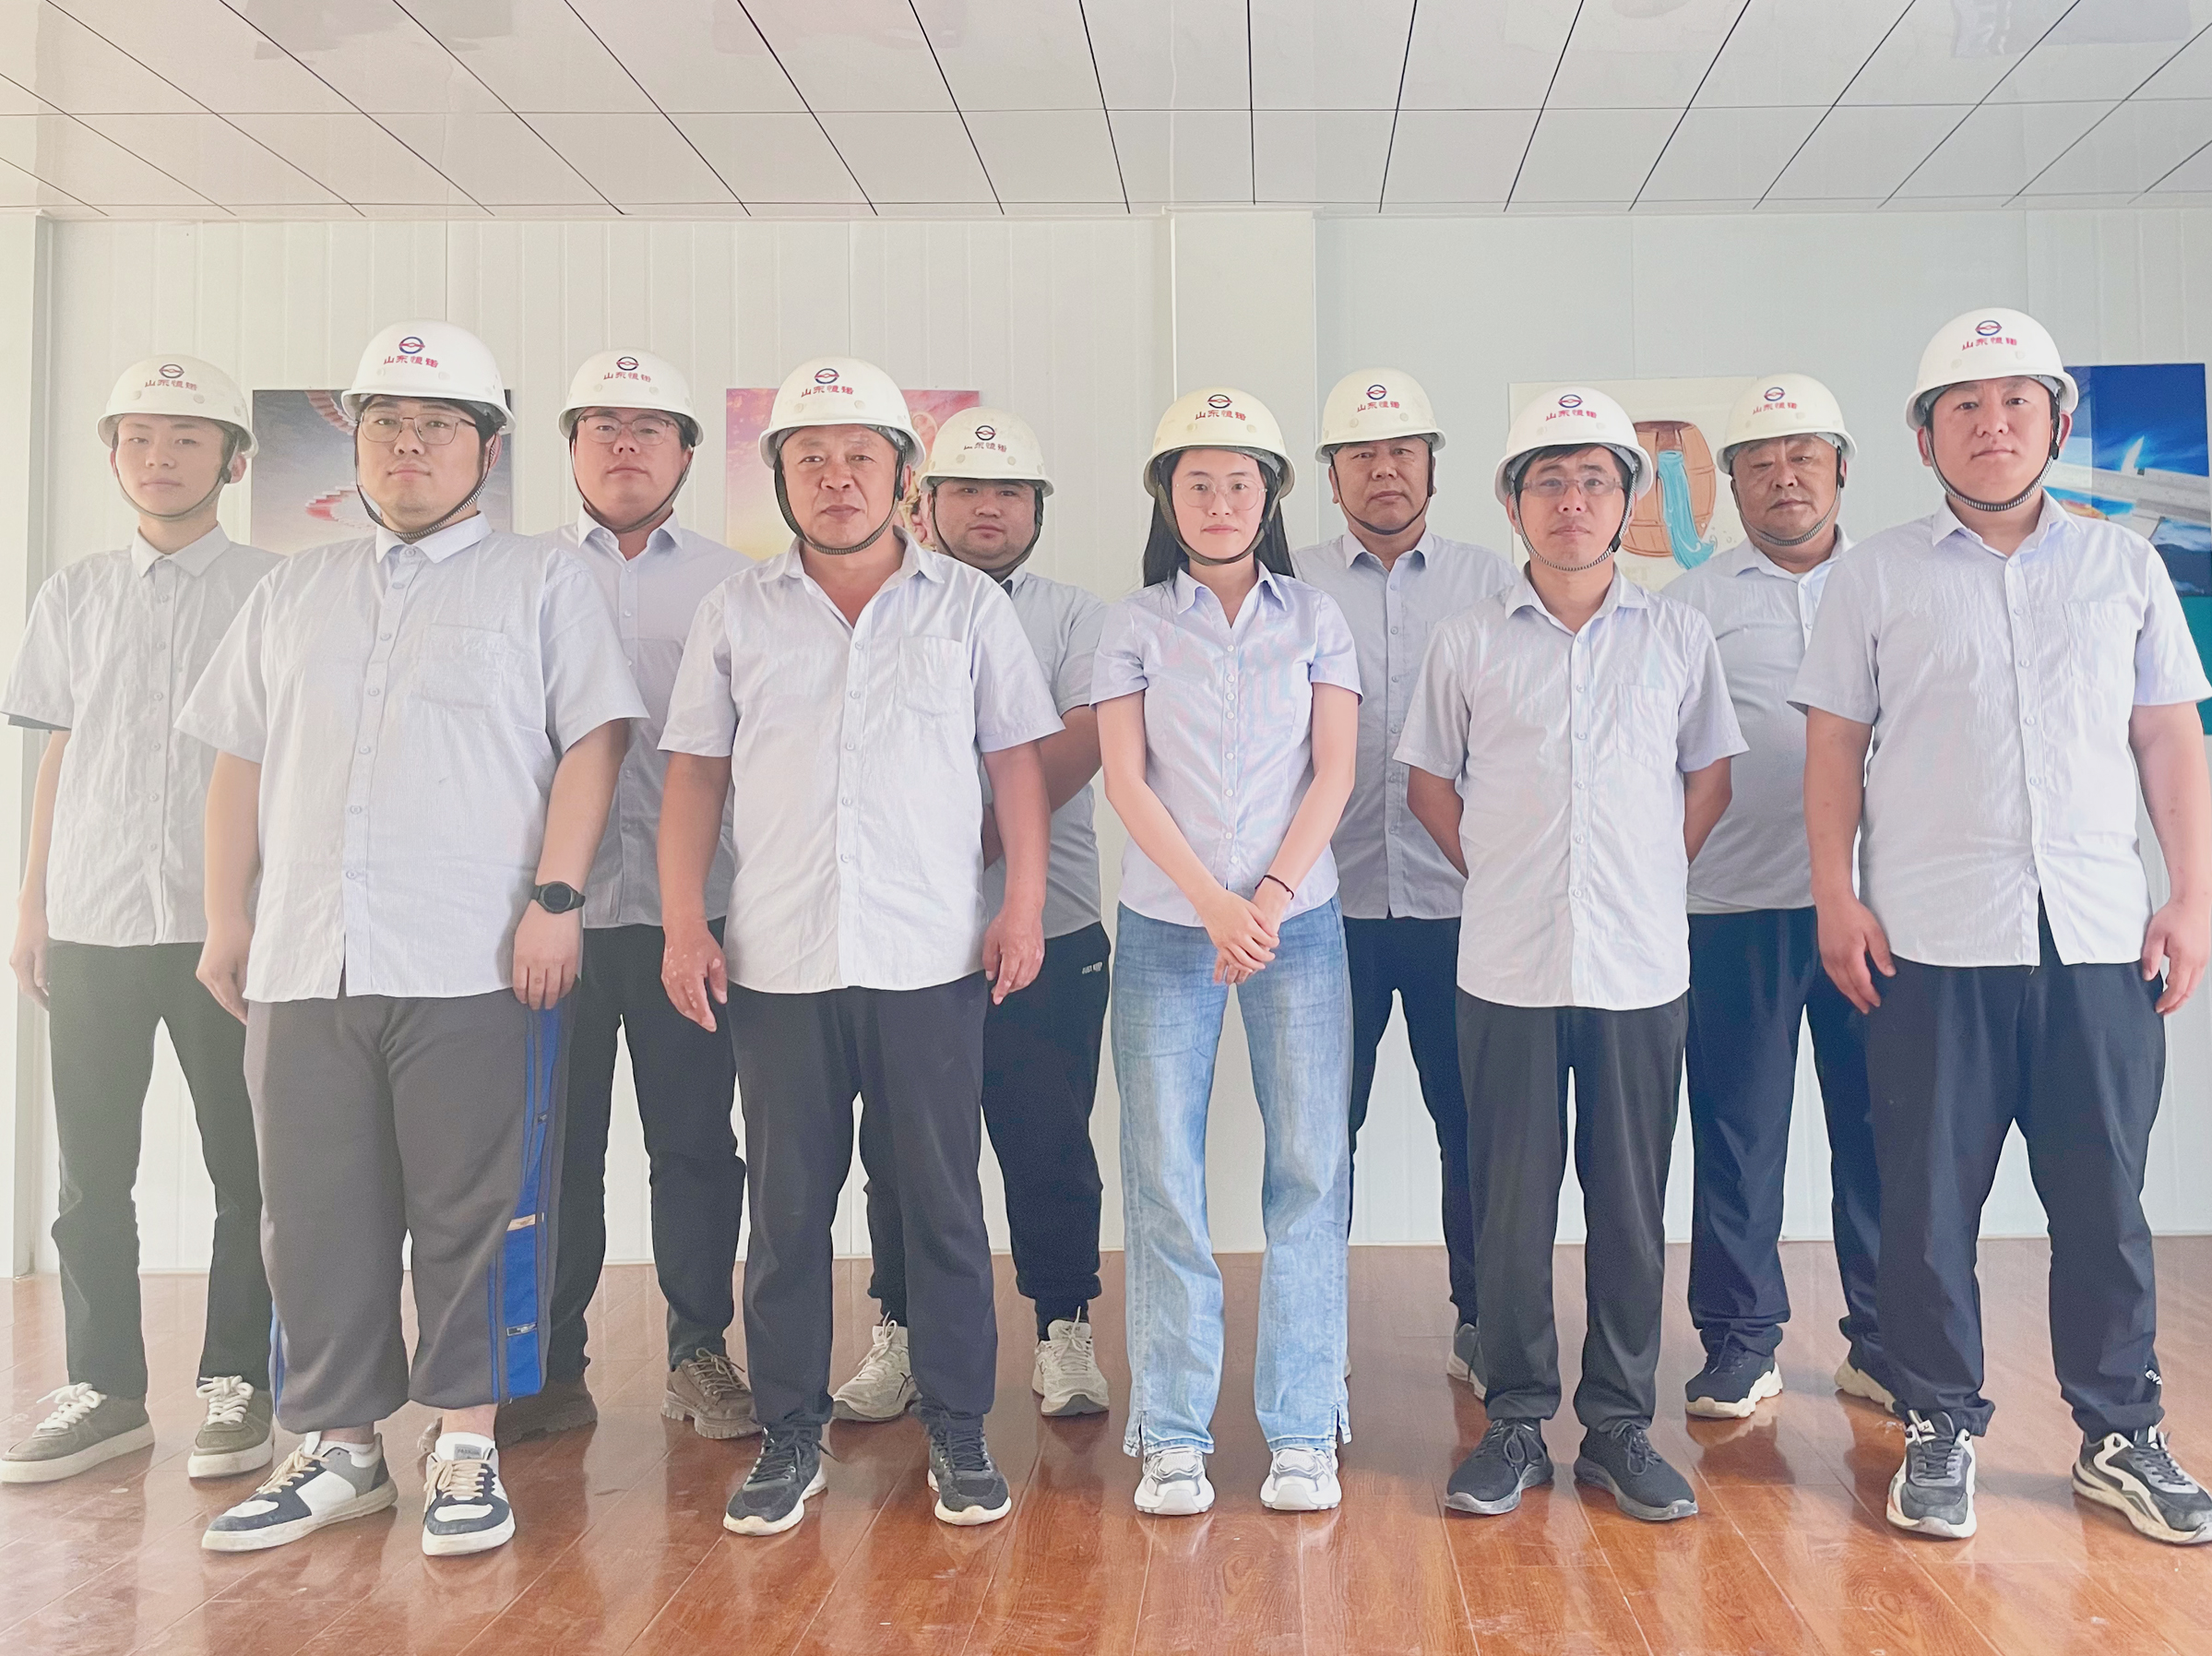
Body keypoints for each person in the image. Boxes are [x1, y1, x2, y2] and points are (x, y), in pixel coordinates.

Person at [184, 321, 642, 1557]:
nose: (409, 444)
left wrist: (557, 900)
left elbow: (594, 741)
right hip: (305, 956)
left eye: (438, 424)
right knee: (311, 1210)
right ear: (358, 442)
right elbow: (239, 759)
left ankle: (465, 1444)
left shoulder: (541, 581)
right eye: (386, 422)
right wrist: (227, 915)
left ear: (486, 449)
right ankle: (338, 1449)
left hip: (472, 956)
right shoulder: (295, 588)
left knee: (474, 1209)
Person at [1796, 307, 2212, 1546]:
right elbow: (1833, 746)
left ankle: (2119, 1431)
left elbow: (2165, 736)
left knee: (2103, 1202)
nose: (1992, 424)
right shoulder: (1874, 575)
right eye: (1964, 407)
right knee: (1926, 1205)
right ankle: (1937, 1421)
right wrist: (1833, 893)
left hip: (2095, 939)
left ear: (2055, 423)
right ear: (1924, 437)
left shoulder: (2122, 568)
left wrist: (2190, 892)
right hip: (1929, 943)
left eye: (2015, 402)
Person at [659, 357, 1058, 1538]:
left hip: (931, 955)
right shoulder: (736, 611)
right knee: (787, 1213)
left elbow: (1016, 767)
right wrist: (683, 919)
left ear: (903, 477)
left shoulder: (966, 607)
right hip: (778, 960)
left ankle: (958, 1428)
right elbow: (696, 775)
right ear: (781, 477)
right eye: (811, 458)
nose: (836, 477)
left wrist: (1023, 904)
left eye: (860, 457)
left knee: (940, 1202)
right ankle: (790, 1434)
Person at [1400, 386, 1742, 1525]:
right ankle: (1513, 1420)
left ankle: (1618, 1427)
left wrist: (1644, 875)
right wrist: (1501, 870)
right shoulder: (1466, 640)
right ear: (1511, 502)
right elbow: (1429, 785)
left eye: (1595, 479)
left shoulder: (1677, 636)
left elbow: (1709, 779)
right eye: (1547, 479)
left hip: (1640, 968)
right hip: (1507, 964)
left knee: (1630, 1204)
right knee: (1508, 1203)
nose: (1572, 500)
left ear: (1626, 500)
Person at [1, 356, 279, 1487]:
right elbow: (61, 750)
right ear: (113, 455)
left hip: (228, 930)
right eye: (138, 438)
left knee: (247, 1170)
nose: (158, 458)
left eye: (186, 438)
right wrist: (33, 901)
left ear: (232, 461)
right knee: (89, 1176)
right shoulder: (72, 594)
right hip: (93, 920)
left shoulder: (273, 590)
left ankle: (240, 1382)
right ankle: (105, 1389)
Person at [1096, 387, 1360, 1518]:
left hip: (1299, 928)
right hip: (1169, 927)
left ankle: (1302, 1427)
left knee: (1309, 1169)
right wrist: (1214, 904)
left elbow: (1335, 772)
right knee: (1163, 1174)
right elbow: (1125, 780)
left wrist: (1270, 899)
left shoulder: (1317, 618)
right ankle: (1172, 1432)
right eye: (1195, 482)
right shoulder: (1133, 624)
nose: (1217, 501)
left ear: (1270, 496)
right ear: (1166, 498)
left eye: (1238, 482)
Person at [834, 407, 1113, 1424]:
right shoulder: (880, 603)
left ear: (1037, 508)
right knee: (903, 1151)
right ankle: (902, 1330)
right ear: (926, 501)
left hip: (1054, 924)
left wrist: (970, 841)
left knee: (1050, 1141)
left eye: (1009, 492)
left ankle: (1063, 1328)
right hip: (908, 942)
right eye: (966, 490)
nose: (988, 507)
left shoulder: (1079, 617)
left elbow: (1083, 738)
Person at [525, 350, 753, 1445]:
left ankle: (698, 1351)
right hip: (548, 919)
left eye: (648, 428)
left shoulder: (735, 583)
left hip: (691, 915)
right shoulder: (521, 574)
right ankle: (546, 1367)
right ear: (569, 446)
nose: (624, 445)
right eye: (602, 426)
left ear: (687, 454)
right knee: (552, 1148)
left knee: (696, 1144)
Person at [1666, 374, 1889, 1420]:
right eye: (1758, 462)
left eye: (1802, 456)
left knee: (1880, 1131)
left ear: (1840, 469)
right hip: (1731, 907)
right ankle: (1739, 1341)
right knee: (1737, 1133)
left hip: (1877, 907)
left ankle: (1884, 1340)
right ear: (1731, 483)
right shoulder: (1691, 605)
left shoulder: (1890, 583)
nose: (1783, 476)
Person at [1291, 369, 1510, 1382]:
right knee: (1318, 1133)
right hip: (1320, 907)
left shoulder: (1492, 581)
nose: (1384, 470)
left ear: (1431, 465)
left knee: (1472, 1125)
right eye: (1361, 455)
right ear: (1331, 474)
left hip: (1461, 903)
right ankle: (1312, 1336)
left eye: (1402, 452)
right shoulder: (1287, 584)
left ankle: (1484, 1320)